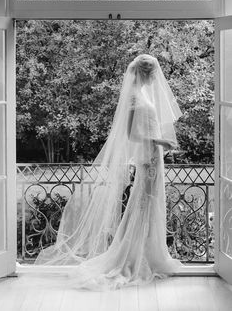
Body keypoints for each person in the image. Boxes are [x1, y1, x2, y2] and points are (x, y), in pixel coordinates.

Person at [35, 54, 183, 290]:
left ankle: (149, 254)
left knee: (149, 205)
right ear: (145, 72)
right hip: (148, 157)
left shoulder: (143, 93)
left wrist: (160, 144)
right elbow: (132, 136)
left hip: (153, 156)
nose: (157, 76)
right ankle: (131, 256)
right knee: (142, 205)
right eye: (154, 72)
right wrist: (160, 141)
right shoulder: (134, 97)